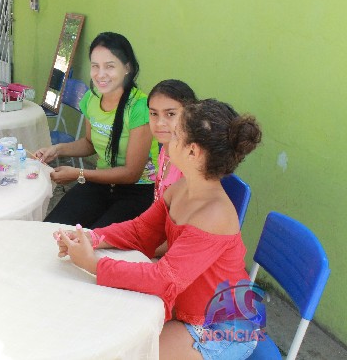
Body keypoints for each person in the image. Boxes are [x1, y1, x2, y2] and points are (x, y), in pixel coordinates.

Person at [55, 98, 262, 360]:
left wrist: (93, 264)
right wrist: (93, 237)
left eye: (176, 134)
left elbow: (162, 280)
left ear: (192, 152)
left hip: (221, 327)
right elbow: (141, 231)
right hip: (185, 305)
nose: (165, 135)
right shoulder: (182, 188)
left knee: (131, 353)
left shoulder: (215, 216)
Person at [34, 32, 158, 229]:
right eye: (95, 66)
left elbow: (131, 173)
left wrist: (79, 174)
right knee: (51, 229)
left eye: (110, 66)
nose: (100, 74)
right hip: (101, 183)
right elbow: (89, 143)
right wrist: (57, 150)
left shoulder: (140, 107)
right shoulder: (91, 98)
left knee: (94, 240)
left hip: (137, 190)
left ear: (127, 68)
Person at [148, 79, 198, 202]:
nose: (159, 123)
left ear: (190, 115)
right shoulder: (166, 148)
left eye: (170, 114)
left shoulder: (190, 164)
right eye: (154, 114)